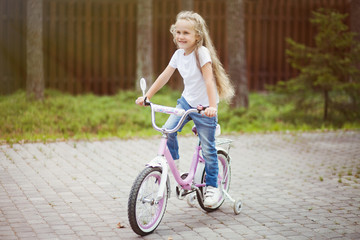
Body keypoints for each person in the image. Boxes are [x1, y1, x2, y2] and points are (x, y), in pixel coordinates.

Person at [135, 11, 234, 207]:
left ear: (197, 36)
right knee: (168, 130)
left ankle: (213, 187)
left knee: (208, 149)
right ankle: (178, 171)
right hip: (186, 102)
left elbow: (208, 80)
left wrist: (212, 107)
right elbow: (165, 76)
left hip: (205, 107)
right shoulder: (178, 55)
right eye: (178, 32)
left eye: (186, 33)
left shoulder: (201, 53)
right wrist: (148, 96)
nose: (181, 36)